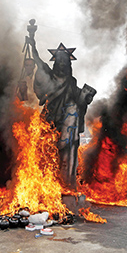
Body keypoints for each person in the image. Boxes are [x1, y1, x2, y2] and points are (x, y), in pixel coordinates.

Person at [29, 36, 96, 189]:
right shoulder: (49, 77)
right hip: (50, 119)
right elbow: (38, 61)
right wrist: (32, 41)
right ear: (55, 62)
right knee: (46, 150)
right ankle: (44, 182)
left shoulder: (71, 81)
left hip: (66, 122)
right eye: (59, 60)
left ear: (68, 63)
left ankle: (63, 181)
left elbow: (78, 99)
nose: (62, 63)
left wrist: (85, 97)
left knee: (65, 152)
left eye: (65, 60)